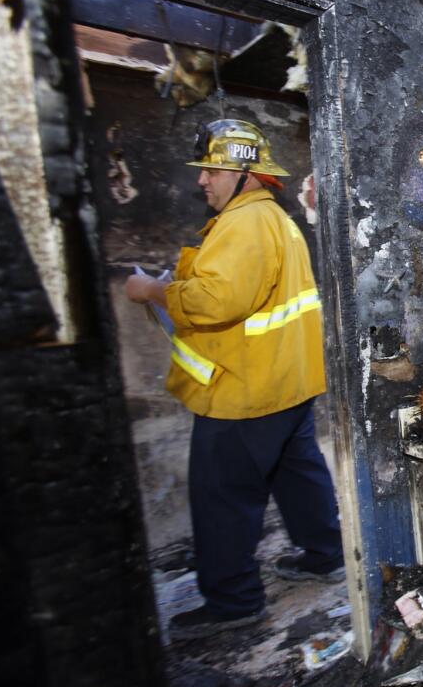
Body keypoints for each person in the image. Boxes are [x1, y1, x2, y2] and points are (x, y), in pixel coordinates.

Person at [125, 119, 344, 640]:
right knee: (297, 473)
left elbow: (217, 300)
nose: (203, 180)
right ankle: (325, 556)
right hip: (285, 380)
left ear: (247, 171)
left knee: (222, 496)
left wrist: (152, 291)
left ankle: (233, 602)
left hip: (245, 389)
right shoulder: (275, 218)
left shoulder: (244, 224)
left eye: (214, 169)